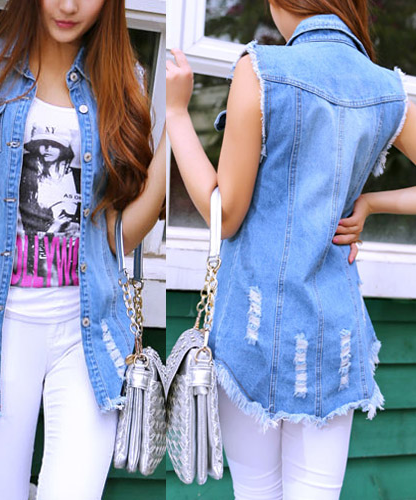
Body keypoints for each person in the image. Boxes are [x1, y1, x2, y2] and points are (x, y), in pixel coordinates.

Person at [166, 0, 416, 498]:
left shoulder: (262, 70)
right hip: (331, 340)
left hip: (251, 329)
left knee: (255, 490)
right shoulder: (387, 89)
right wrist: (371, 203)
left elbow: (225, 214)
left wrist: (175, 114)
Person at [0, 0, 165, 498]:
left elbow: (117, 237)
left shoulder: (125, 83)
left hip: (89, 336)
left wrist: (172, 140)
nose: (69, 6)